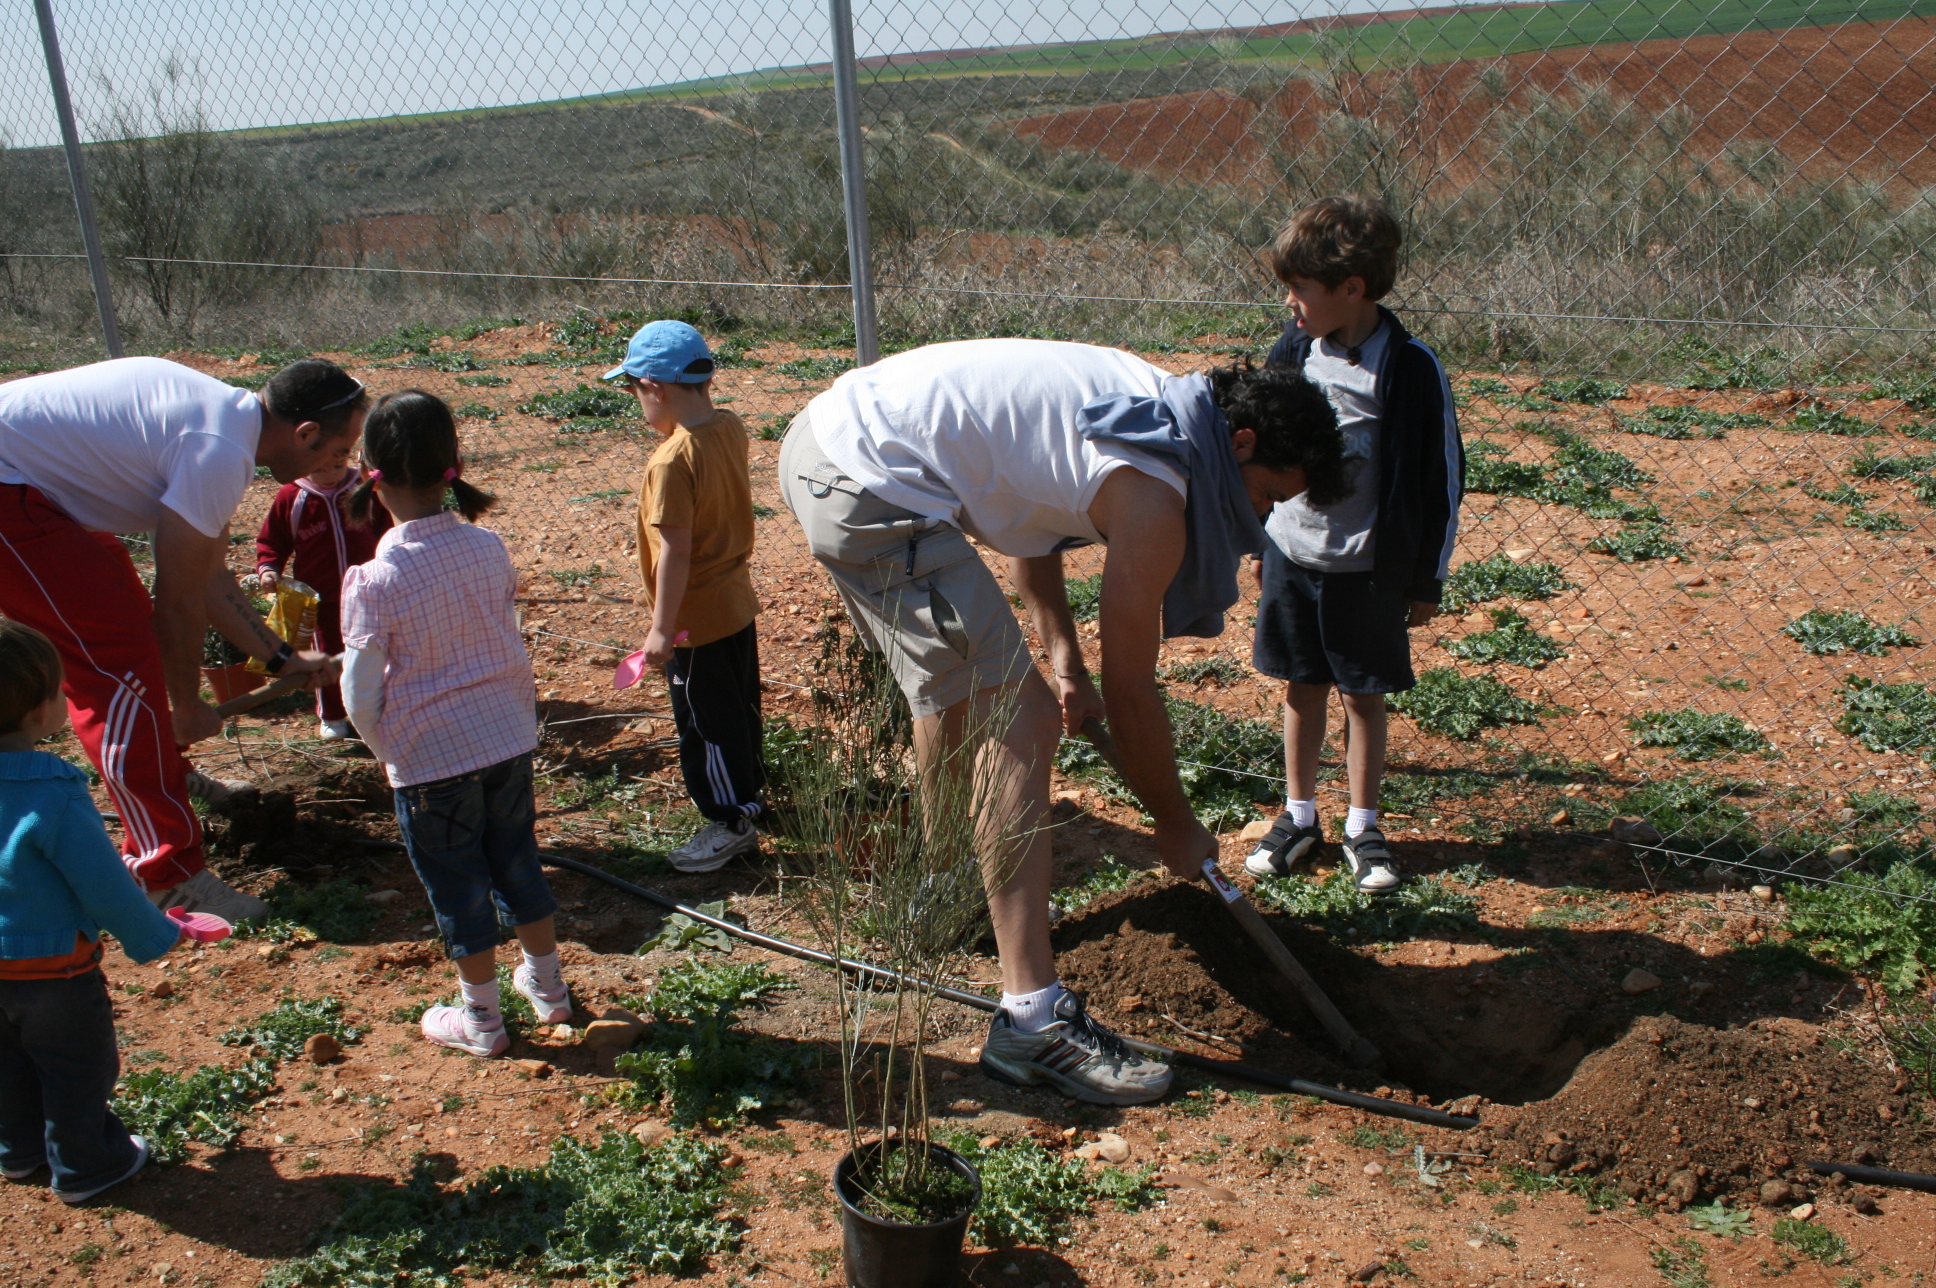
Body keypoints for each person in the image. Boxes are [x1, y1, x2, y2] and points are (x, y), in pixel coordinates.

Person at [780, 338, 1348, 1104]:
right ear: (1241, 444)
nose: (1263, 517)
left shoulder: (1156, 411)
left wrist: (1065, 663)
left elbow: (1033, 534)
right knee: (1020, 719)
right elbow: (1135, 691)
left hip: (833, 444)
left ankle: (941, 892)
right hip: (871, 479)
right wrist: (1174, 823)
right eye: (1269, 495)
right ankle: (1032, 1020)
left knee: (954, 692)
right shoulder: (1157, 487)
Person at [0, 357, 358, 921]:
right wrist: (186, 706)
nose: (339, 465)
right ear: (305, 433)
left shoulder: (225, 425)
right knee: (115, 663)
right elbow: (179, 602)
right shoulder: (218, 449)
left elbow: (207, 577)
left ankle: (162, 769)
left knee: (120, 621)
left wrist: (281, 655)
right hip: (6, 493)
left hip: (27, 488)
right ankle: (165, 873)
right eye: (337, 453)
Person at [1242, 196, 1464, 894]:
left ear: (1352, 289)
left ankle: (1364, 827)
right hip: (1292, 556)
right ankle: (1298, 816)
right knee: (1300, 686)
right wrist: (1257, 538)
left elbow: (1441, 478)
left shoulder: (1409, 368)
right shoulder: (1292, 351)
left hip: (1367, 569)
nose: (1290, 302)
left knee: (1364, 696)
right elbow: (1255, 449)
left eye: (1300, 289)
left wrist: (1424, 578)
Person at [339, 390, 568, 1058]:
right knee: (518, 860)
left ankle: (482, 1022)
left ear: (368, 472)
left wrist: (390, 750)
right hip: (505, 738)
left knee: (459, 886)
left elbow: (358, 694)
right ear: (454, 464)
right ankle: (549, 991)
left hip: (430, 759)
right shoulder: (487, 546)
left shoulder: (375, 578)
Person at [0, 621, 190, 1203]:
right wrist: (156, 932)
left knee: (7, 1067)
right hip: (54, 973)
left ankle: (19, 1150)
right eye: (60, 691)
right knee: (76, 1068)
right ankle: (88, 1165)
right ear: (39, 711)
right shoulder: (53, 790)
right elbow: (102, 884)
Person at [606, 322, 765, 872]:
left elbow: (675, 549)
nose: (637, 405)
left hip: (694, 620)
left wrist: (660, 629)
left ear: (656, 386)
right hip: (735, 603)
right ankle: (750, 796)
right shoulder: (729, 428)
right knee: (739, 710)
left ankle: (729, 821)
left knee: (704, 723)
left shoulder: (671, 461)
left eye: (633, 392)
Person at [255, 437, 393, 741]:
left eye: (338, 465)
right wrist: (268, 568)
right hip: (323, 597)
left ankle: (379, 711)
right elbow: (272, 541)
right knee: (327, 656)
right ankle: (332, 715)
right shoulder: (292, 497)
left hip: (371, 592)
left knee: (375, 651)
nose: (330, 473)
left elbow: (387, 530)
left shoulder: (364, 488)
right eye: (320, 468)